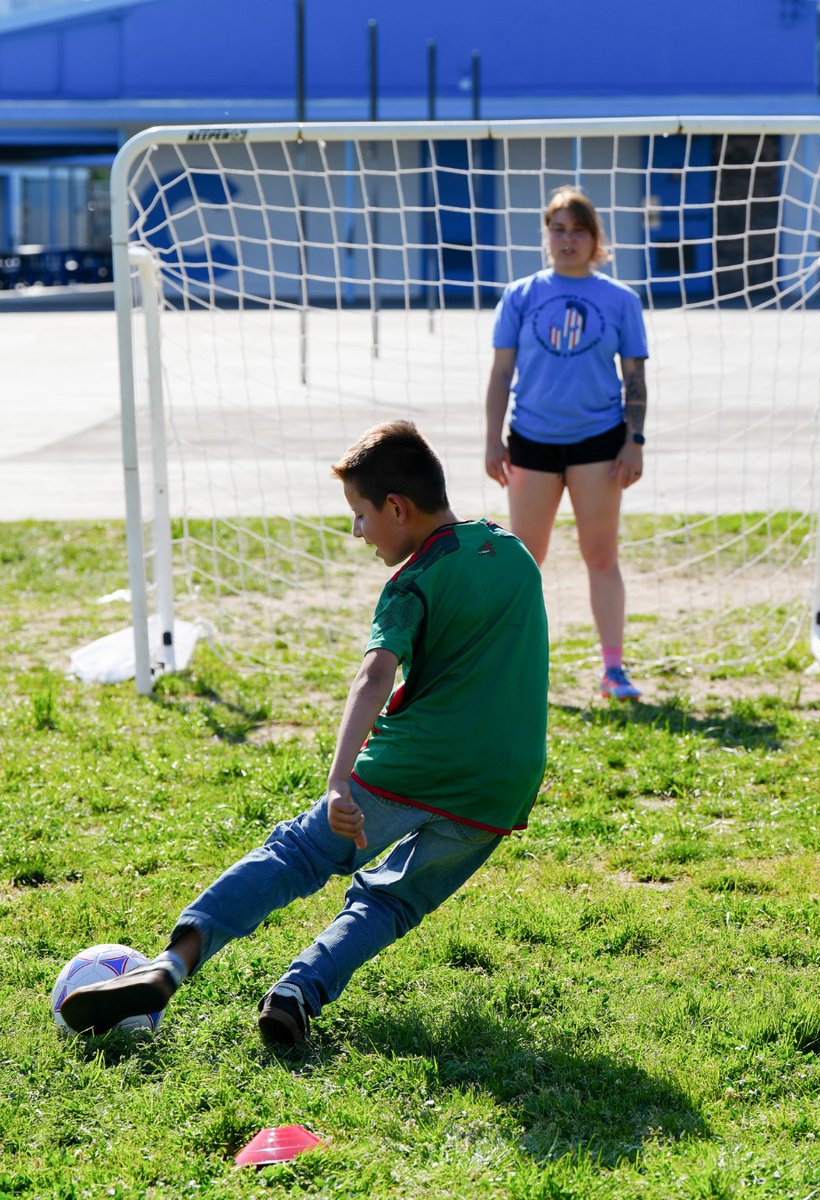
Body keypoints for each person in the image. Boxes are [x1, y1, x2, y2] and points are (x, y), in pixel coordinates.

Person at [61, 420, 549, 1047]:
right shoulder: (514, 554)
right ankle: (297, 993)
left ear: (396, 508)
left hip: (416, 766)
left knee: (298, 854)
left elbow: (375, 674)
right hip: (504, 788)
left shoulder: (411, 583)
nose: (358, 532)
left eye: (360, 514)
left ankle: (172, 963)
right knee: (393, 902)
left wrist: (340, 779)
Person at [485, 185, 649, 701]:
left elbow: (635, 381)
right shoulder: (521, 294)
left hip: (599, 444)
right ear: (547, 235)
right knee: (525, 560)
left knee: (600, 555)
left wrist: (634, 440)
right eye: (558, 228)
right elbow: (500, 373)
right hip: (530, 441)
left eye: (578, 230)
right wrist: (492, 438)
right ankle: (513, 668)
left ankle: (613, 670)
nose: (567, 239)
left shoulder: (620, 300)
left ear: (595, 239)